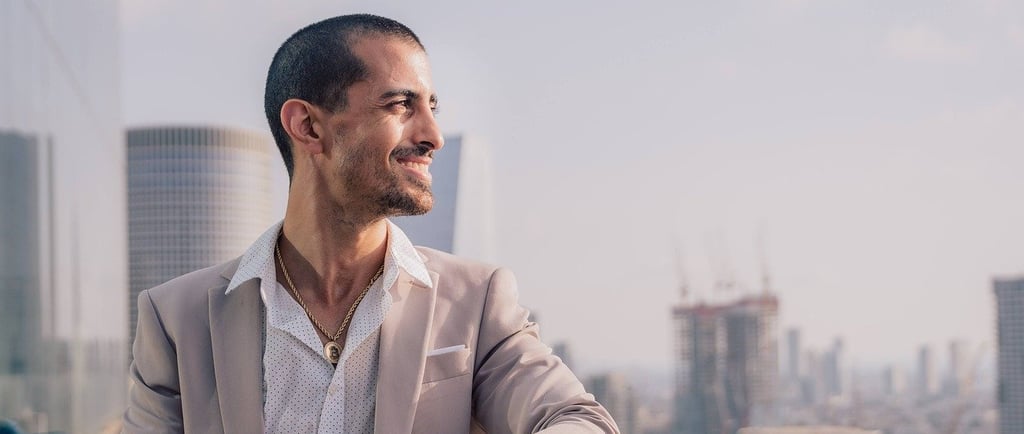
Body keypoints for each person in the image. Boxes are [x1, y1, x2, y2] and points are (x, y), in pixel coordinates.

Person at [123, 14, 618, 434]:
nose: (433, 136)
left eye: (432, 107)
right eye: (401, 105)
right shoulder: (175, 319)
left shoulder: (478, 300)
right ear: (309, 126)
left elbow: (575, 417)